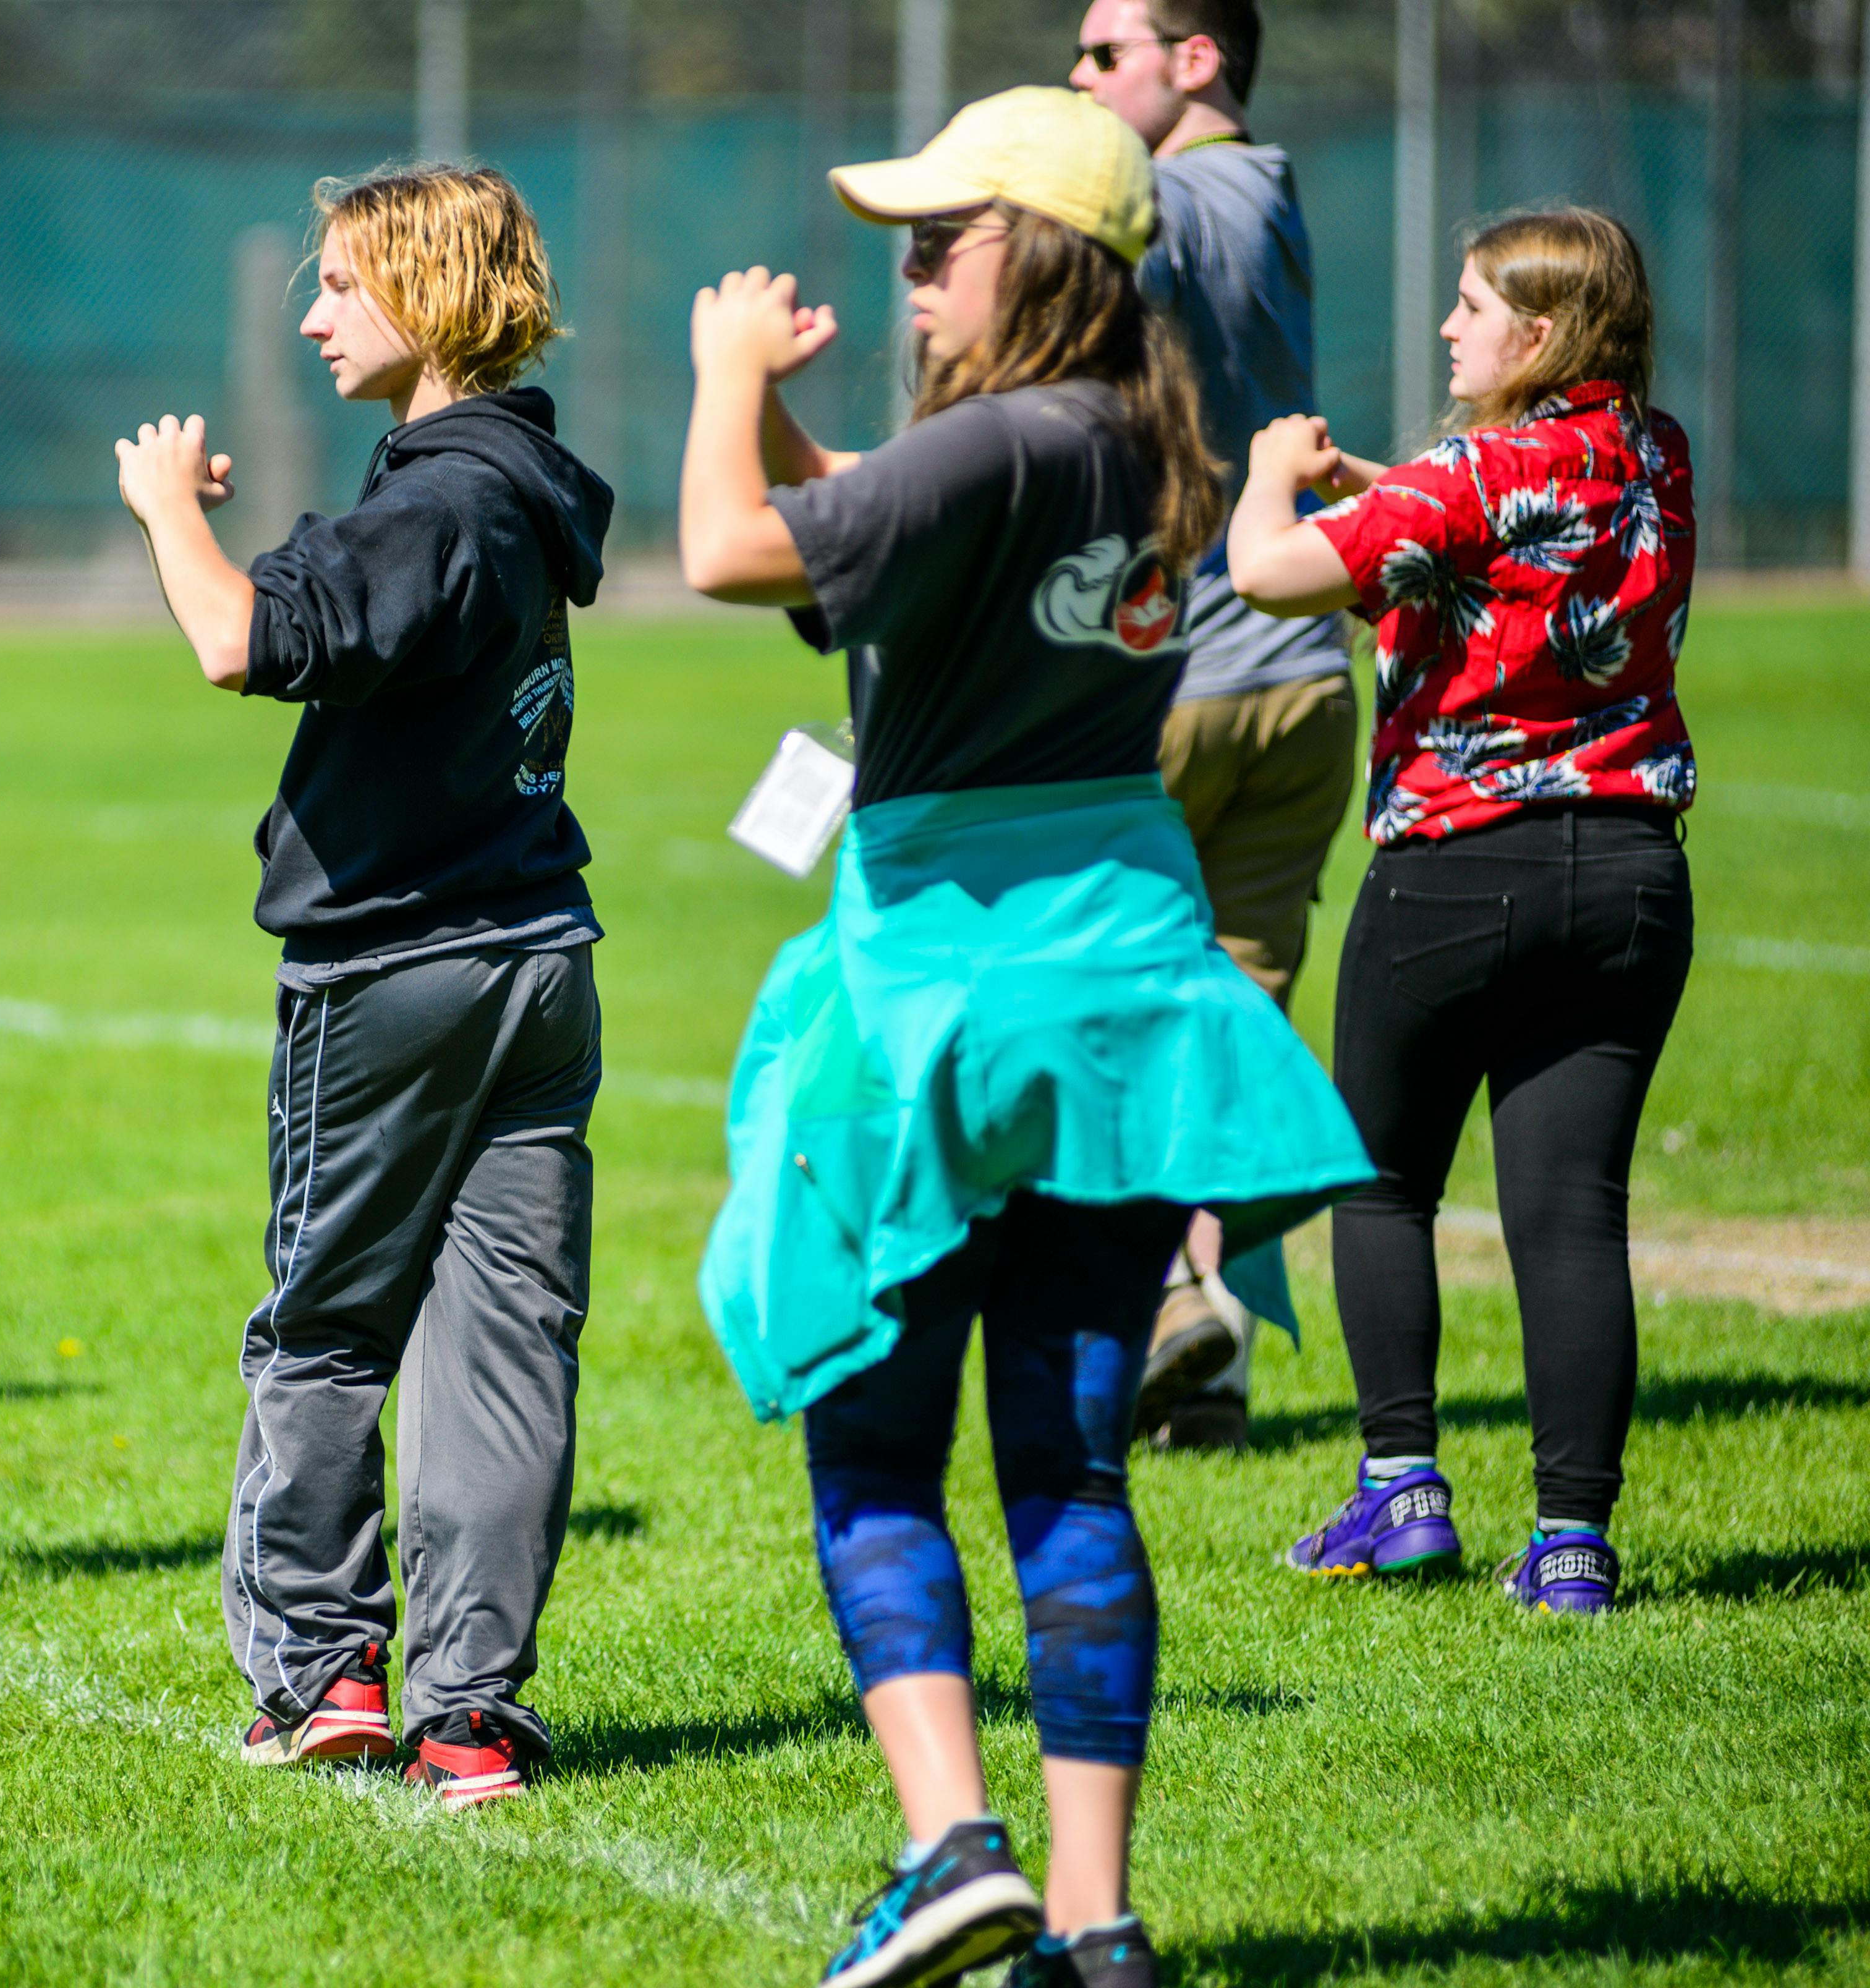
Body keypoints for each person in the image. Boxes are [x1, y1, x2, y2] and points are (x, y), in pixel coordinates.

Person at [679, 89, 1370, 1988]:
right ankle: (1098, 1923)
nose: (908, 279)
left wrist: (725, 374)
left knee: (877, 1456)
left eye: (938, 242)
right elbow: (877, 537)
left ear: (1041, 257)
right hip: (1127, 998)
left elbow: (735, 550)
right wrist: (818, 436)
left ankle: (947, 1844)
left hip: (947, 1004)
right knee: (1071, 1476)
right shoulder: (1146, 445)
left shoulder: (991, 439)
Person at [112, 164, 611, 1809]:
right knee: (503, 1344)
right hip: (542, 962)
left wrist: (169, 508)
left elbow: (242, 642)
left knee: (328, 1332)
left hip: (400, 962)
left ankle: (323, 1672)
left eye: (341, 284)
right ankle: (471, 1713)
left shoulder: (441, 498)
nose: (316, 316)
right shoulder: (517, 480)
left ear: (428, 291)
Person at [1228, 208, 1693, 1616]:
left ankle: (1398, 1490)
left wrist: (1269, 478)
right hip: (1628, 873)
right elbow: (1502, 539)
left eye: (1471, 304)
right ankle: (1571, 1548)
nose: (1448, 328)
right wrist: (1384, 482)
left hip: (1451, 870)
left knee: (1379, 1178)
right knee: (1570, 1216)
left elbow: (1268, 572)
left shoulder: (1468, 469)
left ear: (1537, 334)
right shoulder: (1655, 453)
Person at [1071, 0, 1358, 1450]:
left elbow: (1102, 260)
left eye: (1101, 54)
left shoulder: (1161, 197)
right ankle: (1217, 1355)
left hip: (1171, 669)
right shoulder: (1278, 186)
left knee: (1110, 1013)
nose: (1076, 79)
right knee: (1238, 1016)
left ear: (1197, 61)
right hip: (1305, 672)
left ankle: (1153, 1316)